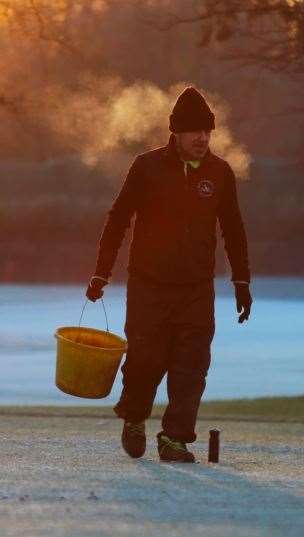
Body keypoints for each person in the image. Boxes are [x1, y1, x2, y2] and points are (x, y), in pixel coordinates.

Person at [86, 86, 252, 463]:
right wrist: (101, 273)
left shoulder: (220, 173)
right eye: (195, 131)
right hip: (149, 285)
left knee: (191, 366)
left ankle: (174, 439)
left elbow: (234, 229)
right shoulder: (147, 167)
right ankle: (134, 417)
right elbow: (118, 218)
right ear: (175, 132)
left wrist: (242, 281)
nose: (202, 139)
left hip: (196, 288)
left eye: (208, 131)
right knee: (146, 360)